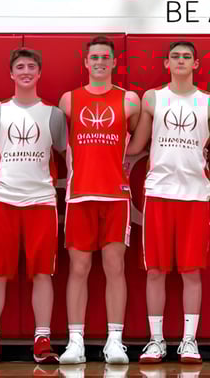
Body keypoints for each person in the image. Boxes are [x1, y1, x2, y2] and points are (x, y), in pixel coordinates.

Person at [126, 40, 210, 364]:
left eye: (186, 56)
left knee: (191, 272)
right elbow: (136, 146)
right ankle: (156, 341)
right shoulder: (153, 98)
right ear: (166, 63)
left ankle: (189, 341)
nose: (180, 60)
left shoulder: (208, 102)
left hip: (194, 194)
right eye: (175, 56)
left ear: (196, 64)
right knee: (156, 271)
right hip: (159, 192)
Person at [0, 48, 68, 365]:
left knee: (43, 273)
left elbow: (64, 153)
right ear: (11, 74)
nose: (25, 71)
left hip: (41, 200)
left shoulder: (53, 115)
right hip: (4, 199)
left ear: (39, 73)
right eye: (19, 67)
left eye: (31, 67)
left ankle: (42, 339)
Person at [58, 36, 141, 365]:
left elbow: (135, 140)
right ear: (86, 62)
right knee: (78, 268)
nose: (100, 62)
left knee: (114, 267)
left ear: (114, 63)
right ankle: (75, 341)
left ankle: (114, 341)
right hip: (80, 194)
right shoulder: (69, 100)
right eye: (94, 58)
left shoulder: (128, 101)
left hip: (115, 195)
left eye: (105, 58)